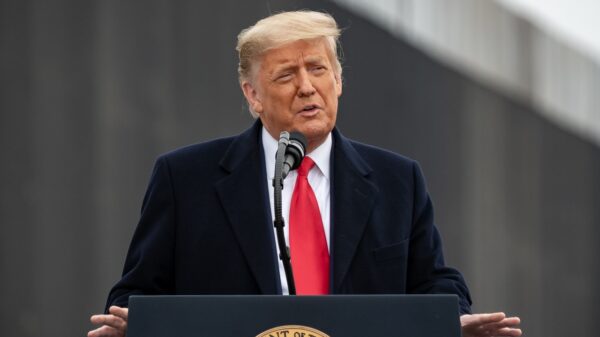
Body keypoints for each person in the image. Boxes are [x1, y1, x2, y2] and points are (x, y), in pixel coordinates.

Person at [88, 10, 521, 337]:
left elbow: (433, 281)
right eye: (286, 75)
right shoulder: (185, 180)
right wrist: (138, 324)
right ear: (252, 94)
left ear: (338, 79)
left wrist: (449, 320)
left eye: (317, 69)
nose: (307, 87)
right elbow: (136, 295)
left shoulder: (397, 181)